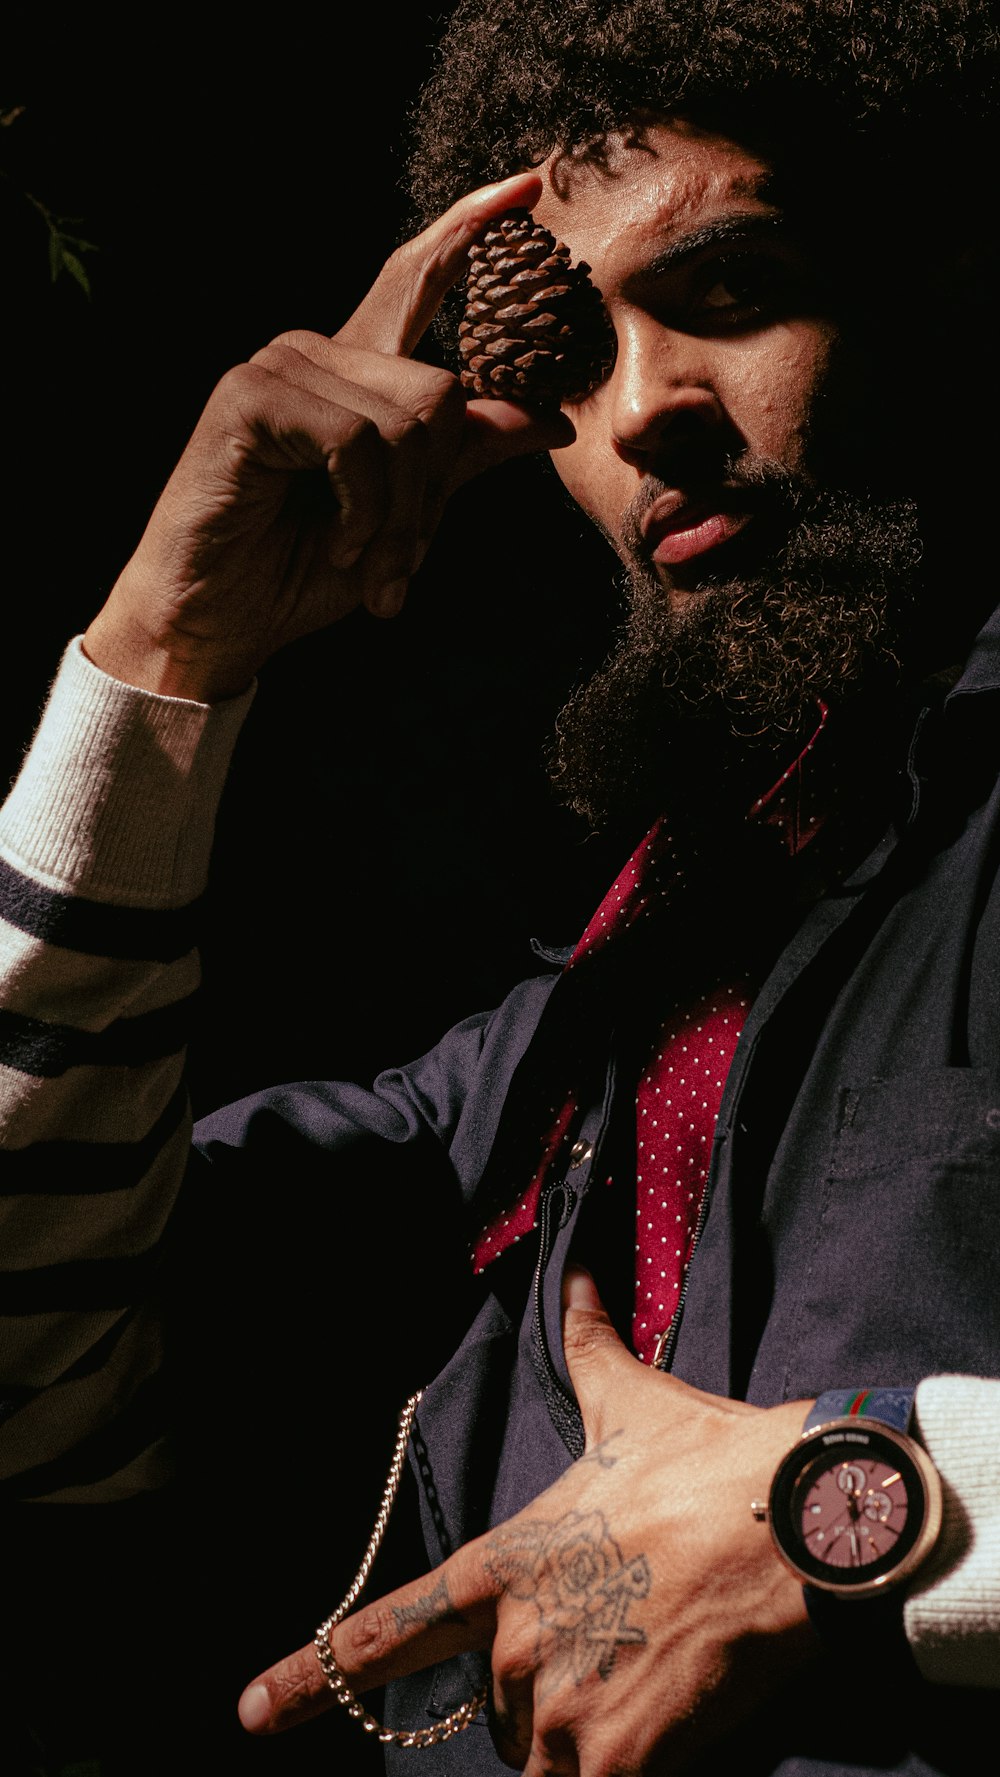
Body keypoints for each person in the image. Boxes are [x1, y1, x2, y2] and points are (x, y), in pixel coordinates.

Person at [2, 3, 999, 1773]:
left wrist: (866, 1514)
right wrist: (168, 648)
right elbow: (27, 1364)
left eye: (728, 288)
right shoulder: (551, 1064)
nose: (642, 412)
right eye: (572, 363)